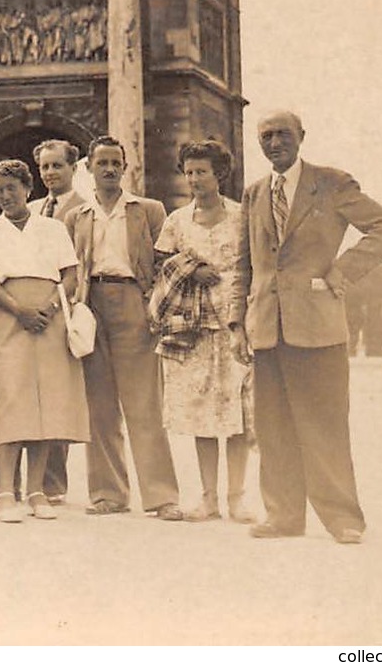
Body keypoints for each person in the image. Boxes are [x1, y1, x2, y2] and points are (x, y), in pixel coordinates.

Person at [241, 110, 382, 544]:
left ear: (301, 137)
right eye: (266, 136)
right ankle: (283, 516)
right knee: (273, 427)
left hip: (318, 325)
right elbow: (246, 265)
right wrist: (243, 321)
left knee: (325, 424)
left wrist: (342, 271)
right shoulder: (254, 193)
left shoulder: (331, 183)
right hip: (265, 328)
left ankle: (343, 518)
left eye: (282, 135)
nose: (274, 143)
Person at [64, 135, 182, 520]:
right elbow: (70, 267)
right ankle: (108, 493)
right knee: (99, 405)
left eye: (116, 162)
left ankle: (162, 496)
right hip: (91, 304)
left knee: (144, 402)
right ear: (89, 169)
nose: (110, 169)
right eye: (102, 163)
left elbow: (168, 263)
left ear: (125, 167)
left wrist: (156, 307)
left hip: (134, 300)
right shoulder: (76, 216)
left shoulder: (148, 210)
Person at [0, 159, 89, 522]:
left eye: (13, 188)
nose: (7, 196)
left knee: (45, 402)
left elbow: (70, 274)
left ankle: (37, 489)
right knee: (13, 398)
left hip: (50, 318)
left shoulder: (52, 228)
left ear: (27, 188)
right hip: (10, 318)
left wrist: (51, 308)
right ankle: (5, 490)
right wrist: (19, 310)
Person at [151, 140, 255, 523]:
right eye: (189, 171)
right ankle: (209, 497)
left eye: (202, 171)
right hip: (192, 326)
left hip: (235, 325)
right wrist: (191, 268)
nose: (194, 178)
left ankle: (237, 498)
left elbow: (256, 263)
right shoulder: (177, 221)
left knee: (239, 414)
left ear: (220, 174)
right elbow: (161, 261)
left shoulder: (242, 216)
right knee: (201, 414)